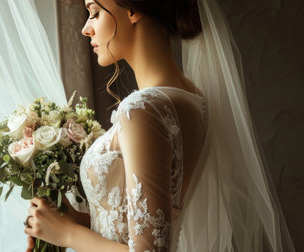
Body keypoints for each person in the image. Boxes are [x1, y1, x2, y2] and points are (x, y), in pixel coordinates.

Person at [23, 0, 296, 251]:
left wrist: (68, 234)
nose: (85, 29)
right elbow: (149, 223)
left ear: (132, 9)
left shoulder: (142, 109)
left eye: (94, 12)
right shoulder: (192, 98)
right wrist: (77, 221)